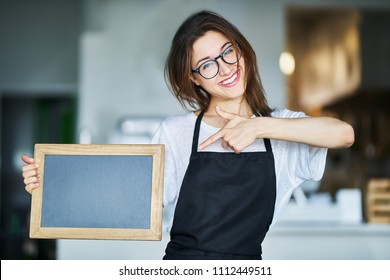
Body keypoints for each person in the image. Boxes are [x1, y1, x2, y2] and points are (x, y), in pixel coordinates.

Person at [21, 10, 354, 260]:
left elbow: (343, 134)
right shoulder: (177, 132)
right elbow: (129, 202)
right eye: (207, 64)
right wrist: (52, 184)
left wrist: (257, 125)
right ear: (194, 79)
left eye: (227, 51)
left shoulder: (283, 129)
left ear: (242, 50)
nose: (224, 68)